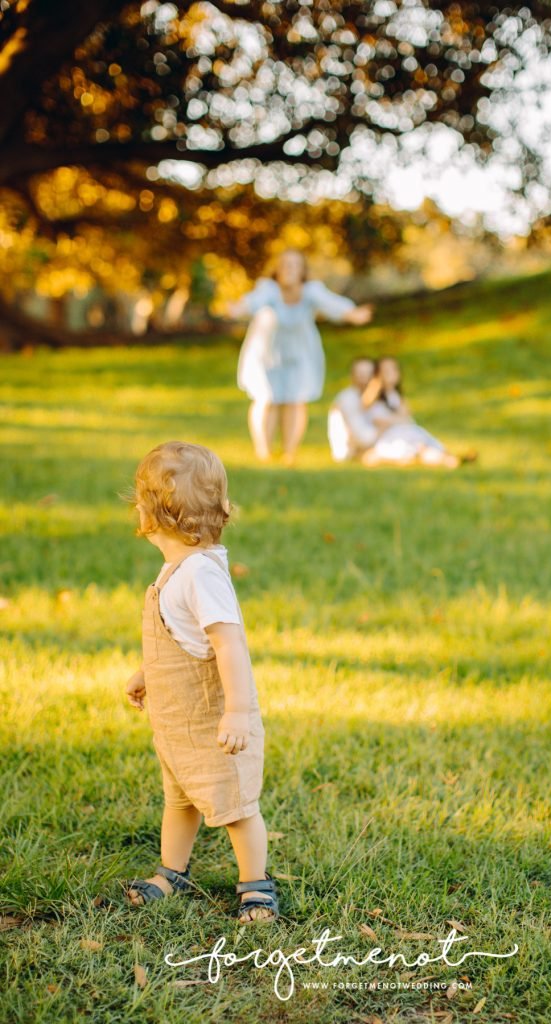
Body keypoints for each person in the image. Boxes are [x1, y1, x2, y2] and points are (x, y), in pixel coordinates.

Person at [124, 440, 278, 923]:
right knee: (181, 798)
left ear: (151, 515)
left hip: (213, 724)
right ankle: (173, 872)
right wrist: (148, 672)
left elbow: (228, 644)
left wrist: (236, 711)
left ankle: (256, 885)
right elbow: (182, 638)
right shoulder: (178, 568)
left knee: (234, 806)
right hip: (179, 726)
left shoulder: (199, 574)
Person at [226, 249, 373, 465]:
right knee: (267, 400)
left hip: (300, 354)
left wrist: (353, 314)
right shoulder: (269, 290)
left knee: (295, 401)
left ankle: (289, 453)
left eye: (294, 265)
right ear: (277, 269)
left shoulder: (311, 291)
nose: (289, 269)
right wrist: (236, 309)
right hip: (266, 355)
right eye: (284, 264)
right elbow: (251, 303)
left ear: (303, 270)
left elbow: (332, 304)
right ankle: (264, 453)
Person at [361, 357, 477, 468]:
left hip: (406, 431)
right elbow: (374, 415)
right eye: (386, 370)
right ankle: (449, 460)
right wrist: (376, 384)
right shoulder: (373, 396)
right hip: (392, 438)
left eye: (394, 369)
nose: (391, 373)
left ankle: (450, 459)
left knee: (423, 447)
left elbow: (406, 414)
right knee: (418, 450)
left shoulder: (395, 395)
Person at [327, 356, 380, 462]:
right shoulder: (347, 399)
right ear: (352, 375)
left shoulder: (377, 396)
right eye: (360, 373)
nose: (364, 377)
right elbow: (363, 437)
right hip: (349, 452)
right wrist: (387, 426)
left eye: (368, 373)